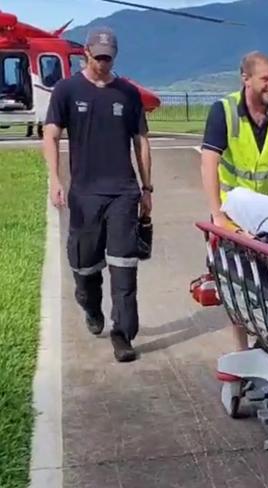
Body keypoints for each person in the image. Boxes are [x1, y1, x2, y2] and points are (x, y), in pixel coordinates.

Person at [42, 27, 152, 363]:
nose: (104, 63)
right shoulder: (66, 89)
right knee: (86, 267)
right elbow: (51, 134)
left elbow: (141, 142)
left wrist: (147, 189)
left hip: (123, 192)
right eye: (98, 56)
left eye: (109, 57)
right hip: (85, 193)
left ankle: (123, 334)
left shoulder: (128, 93)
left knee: (124, 267)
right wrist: (54, 179)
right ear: (86, 53)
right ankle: (90, 304)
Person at [200, 50, 268, 351]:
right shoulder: (222, 111)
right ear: (245, 79)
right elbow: (209, 164)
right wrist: (218, 216)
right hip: (233, 215)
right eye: (265, 79)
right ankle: (242, 351)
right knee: (235, 284)